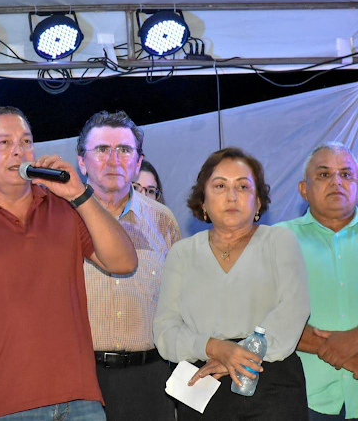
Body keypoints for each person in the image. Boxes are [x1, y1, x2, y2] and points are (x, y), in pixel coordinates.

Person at [0, 106, 137, 421]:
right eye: (4, 142)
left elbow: (124, 262)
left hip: (80, 400)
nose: (19, 150)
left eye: (26, 141)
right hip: (3, 407)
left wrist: (80, 194)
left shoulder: (66, 208)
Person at [153, 147, 310, 420]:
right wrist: (215, 348)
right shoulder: (181, 253)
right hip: (201, 384)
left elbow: (293, 311)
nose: (231, 196)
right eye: (220, 186)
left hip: (270, 380)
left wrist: (238, 356)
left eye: (243, 186)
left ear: (258, 202)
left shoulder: (280, 241)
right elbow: (165, 332)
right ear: (203, 201)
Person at [76, 111, 180, 420]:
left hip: (151, 379)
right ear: (82, 162)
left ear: (137, 162)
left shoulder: (163, 220)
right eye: (102, 149)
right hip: (82, 381)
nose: (113, 160)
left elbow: (180, 302)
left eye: (124, 150)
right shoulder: (60, 220)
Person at [276, 142, 358, 420]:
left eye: (346, 174)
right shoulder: (277, 240)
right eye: (324, 174)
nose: (337, 181)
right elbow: (261, 314)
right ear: (303, 189)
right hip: (305, 398)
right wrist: (340, 351)